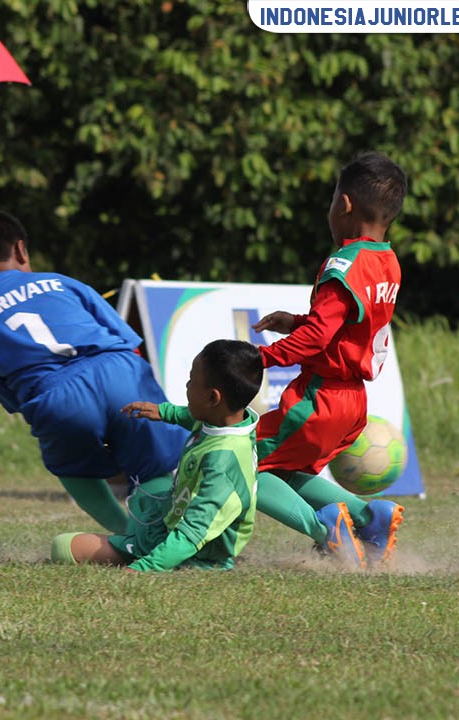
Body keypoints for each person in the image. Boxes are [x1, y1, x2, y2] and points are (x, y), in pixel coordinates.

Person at [0, 210, 188, 533]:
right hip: (116, 370)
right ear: (21, 250)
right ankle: (168, 532)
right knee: (156, 461)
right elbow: (128, 341)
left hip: (53, 394)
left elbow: (14, 399)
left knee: (72, 469)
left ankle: (125, 537)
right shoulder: (60, 282)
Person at [252, 151, 407, 569]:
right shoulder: (387, 261)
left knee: (242, 462)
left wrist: (259, 360)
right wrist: (294, 321)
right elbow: (345, 327)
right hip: (352, 401)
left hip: (318, 398)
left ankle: (329, 532)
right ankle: (366, 515)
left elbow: (320, 336)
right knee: (282, 473)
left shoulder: (343, 263)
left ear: (345, 204)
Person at [51, 339, 262, 572]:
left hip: (197, 556)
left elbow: (193, 533)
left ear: (213, 398)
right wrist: (164, 412)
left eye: (192, 380)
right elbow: (198, 418)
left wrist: (144, 568)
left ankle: (136, 550)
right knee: (144, 498)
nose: (187, 384)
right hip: (170, 524)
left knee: (63, 547)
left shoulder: (222, 463)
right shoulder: (234, 422)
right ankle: (136, 539)